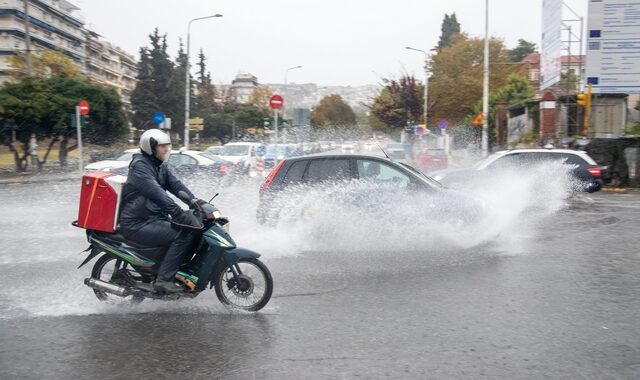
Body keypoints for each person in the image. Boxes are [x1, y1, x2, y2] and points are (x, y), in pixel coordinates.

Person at [118, 129, 204, 294]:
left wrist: (195, 202)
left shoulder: (158, 166)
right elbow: (156, 193)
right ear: (150, 147)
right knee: (183, 234)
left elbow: (175, 185)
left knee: (195, 231)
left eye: (167, 146)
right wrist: (178, 212)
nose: (166, 149)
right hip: (137, 223)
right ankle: (164, 280)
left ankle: (175, 271)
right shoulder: (140, 168)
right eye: (162, 146)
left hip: (154, 219)